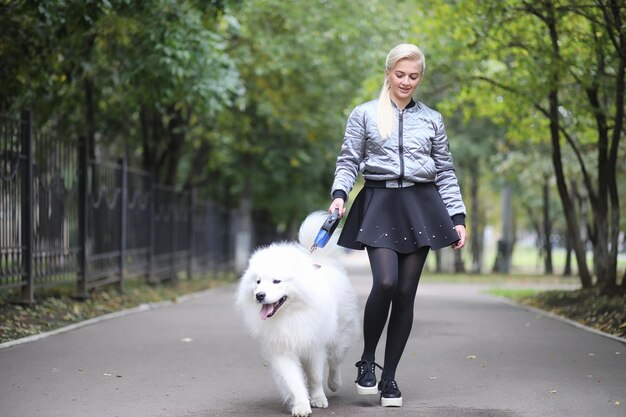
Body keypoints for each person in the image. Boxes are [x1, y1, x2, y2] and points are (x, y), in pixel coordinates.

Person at [328, 43, 467, 408]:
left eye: (414, 76)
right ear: (388, 73)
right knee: (386, 282)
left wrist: (458, 217)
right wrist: (340, 194)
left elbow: (446, 171)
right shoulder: (365, 114)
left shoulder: (432, 119)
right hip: (380, 202)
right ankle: (367, 361)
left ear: (420, 78)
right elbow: (348, 159)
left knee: (406, 292)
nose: (406, 82)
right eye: (400, 74)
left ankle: (389, 377)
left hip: (421, 205)